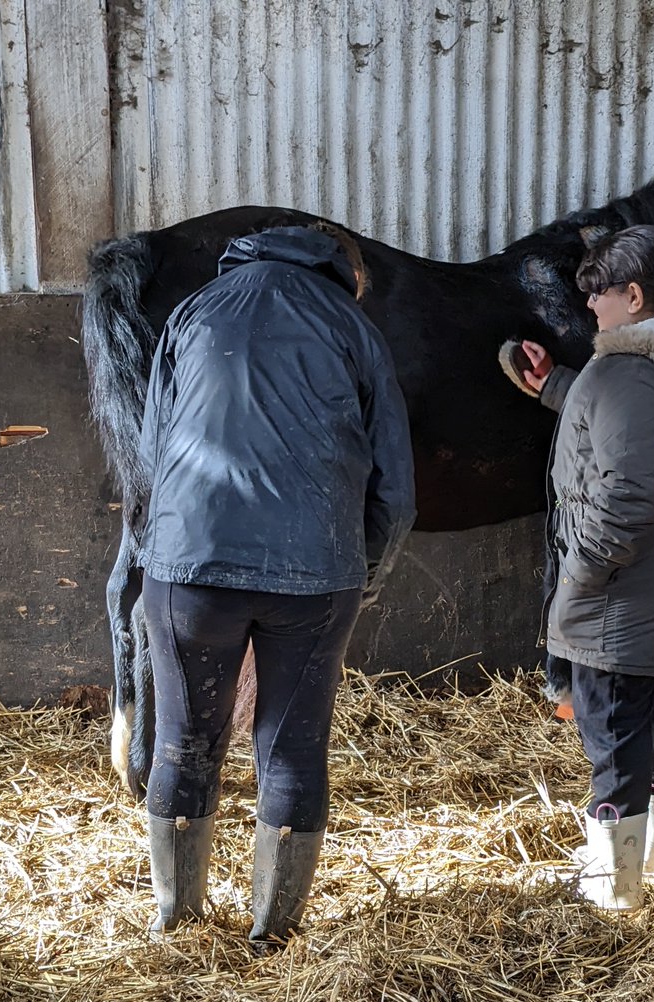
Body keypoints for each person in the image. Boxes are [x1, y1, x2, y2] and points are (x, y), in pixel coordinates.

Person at [136, 224, 416, 947]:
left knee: (182, 744)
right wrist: (362, 575)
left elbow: (150, 452)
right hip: (314, 577)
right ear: (344, 276)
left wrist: (161, 551)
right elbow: (397, 489)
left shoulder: (193, 313)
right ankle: (274, 938)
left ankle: (178, 923)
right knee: (292, 751)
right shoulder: (352, 326)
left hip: (190, 571)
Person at [498, 224, 654, 911]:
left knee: (613, 724)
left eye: (598, 297)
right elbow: (631, 423)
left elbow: (627, 493)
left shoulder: (628, 372)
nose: (591, 311)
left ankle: (615, 886)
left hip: (624, 577)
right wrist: (561, 390)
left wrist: (578, 579)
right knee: (650, 705)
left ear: (632, 296)